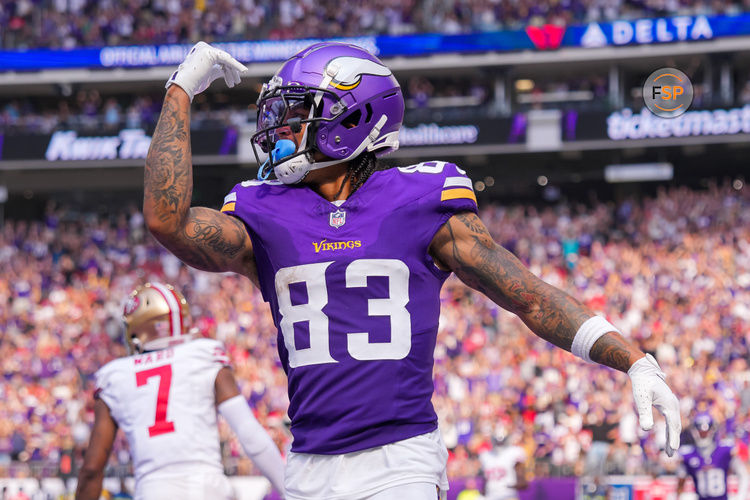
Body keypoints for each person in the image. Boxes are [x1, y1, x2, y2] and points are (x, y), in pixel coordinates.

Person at [143, 41, 682, 500]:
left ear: (350, 118)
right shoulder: (264, 209)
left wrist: (634, 359)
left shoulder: (420, 198)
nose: (282, 129)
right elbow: (167, 220)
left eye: (299, 112)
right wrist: (180, 90)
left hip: (399, 460)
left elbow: (530, 297)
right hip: (307, 461)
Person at [75, 283, 285, 500]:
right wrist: (290, 493)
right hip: (208, 490)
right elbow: (250, 435)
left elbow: (91, 469)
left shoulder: (115, 376)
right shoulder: (203, 354)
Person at [677, 413, 749, 500]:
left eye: (705, 431)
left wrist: (740, 496)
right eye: (701, 431)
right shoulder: (687, 454)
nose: (703, 434)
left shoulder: (725, 450)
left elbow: (743, 474)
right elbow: (680, 482)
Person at [479, 430, 528, 500]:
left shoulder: (515, 452)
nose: (499, 443)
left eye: (502, 441)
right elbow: (485, 481)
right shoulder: (485, 455)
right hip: (490, 496)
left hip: (508, 495)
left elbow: (523, 482)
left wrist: (508, 486)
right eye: (497, 441)